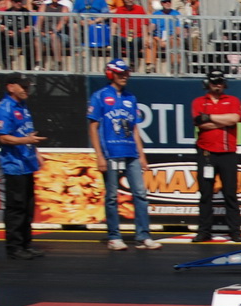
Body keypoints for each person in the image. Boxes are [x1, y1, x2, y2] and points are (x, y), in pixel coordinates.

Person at [87, 58, 158, 251]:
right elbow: (93, 128)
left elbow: (134, 128)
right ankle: (114, 236)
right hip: (110, 152)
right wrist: (99, 155)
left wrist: (142, 154)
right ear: (110, 74)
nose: (125, 76)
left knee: (140, 193)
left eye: (126, 73)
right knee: (112, 196)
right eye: (120, 73)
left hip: (130, 152)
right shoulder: (99, 96)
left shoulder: (130, 97)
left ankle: (143, 236)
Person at [0, 72, 46, 260]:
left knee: (28, 207)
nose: (26, 89)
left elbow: (28, 133)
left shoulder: (23, 106)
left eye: (27, 86)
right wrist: (26, 140)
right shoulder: (5, 108)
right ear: (11, 87)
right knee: (16, 207)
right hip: (14, 166)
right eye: (23, 86)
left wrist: (36, 152)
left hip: (27, 163)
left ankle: (26, 244)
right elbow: (3, 137)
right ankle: (14, 247)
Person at [191, 69, 241, 243]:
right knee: (205, 194)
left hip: (228, 153)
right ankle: (204, 231)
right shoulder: (199, 101)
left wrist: (210, 117)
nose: (217, 85)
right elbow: (201, 124)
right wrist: (223, 122)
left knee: (230, 194)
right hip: (206, 153)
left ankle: (235, 231)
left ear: (224, 83)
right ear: (208, 83)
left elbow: (234, 119)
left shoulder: (233, 100)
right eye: (214, 82)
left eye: (220, 82)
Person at [111, 0, 149, 71]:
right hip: (124, 36)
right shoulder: (119, 9)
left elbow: (144, 24)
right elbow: (114, 25)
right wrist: (112, 36)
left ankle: (132, 63)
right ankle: (117, 62)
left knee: (136, 41)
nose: (129, 0)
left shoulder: (140, 9)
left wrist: (146, 37)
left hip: (137, 36)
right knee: (114, 39)